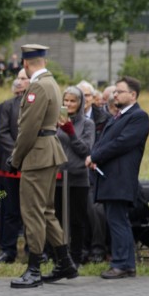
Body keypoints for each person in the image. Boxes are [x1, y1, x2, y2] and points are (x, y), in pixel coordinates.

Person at [8, 44, 76, 288]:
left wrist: (16, 158)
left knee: (33, 212)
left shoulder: (37, 86)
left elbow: (28, 129)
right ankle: (64, 260)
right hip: (48, 151)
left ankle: (34, 267)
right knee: (46, 211)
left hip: (37, 155)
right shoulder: (52, 83)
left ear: (25, 63)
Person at [86, 76, 149, 279]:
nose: (115, 95)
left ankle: (122, 264)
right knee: (116, 220)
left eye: (119, 91)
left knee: (118, 221)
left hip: (120, 178)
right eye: (115, 92)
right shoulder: (119, 116)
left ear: (133, 94)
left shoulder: (138, 117)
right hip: (109, 177)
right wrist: (94, 156)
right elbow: (104, 140)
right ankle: (126, 264)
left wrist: (95, 156)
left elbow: (121, 143)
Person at [0, 69, 29, 264]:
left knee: (32, 210)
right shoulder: (7, 106)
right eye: (19, 78)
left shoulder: (38, 105)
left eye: (25, 78)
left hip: (32, 165)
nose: (20, 81)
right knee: (10, 210)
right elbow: (2, 132)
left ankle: (34, 250)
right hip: (11, 165)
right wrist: (17, 153)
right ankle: (8, 250)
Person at [54, 86, 95, 265]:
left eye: (73, 101)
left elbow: (85, 150)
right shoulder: (55, 121)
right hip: (58, 176)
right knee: (57, 218)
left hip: (78, 176)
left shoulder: (87, 123)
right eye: (66, 100)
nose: (69, 104)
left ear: (80, 104)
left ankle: (77, 256)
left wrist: (71, 132)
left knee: (77, 220)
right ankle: (59, 256)